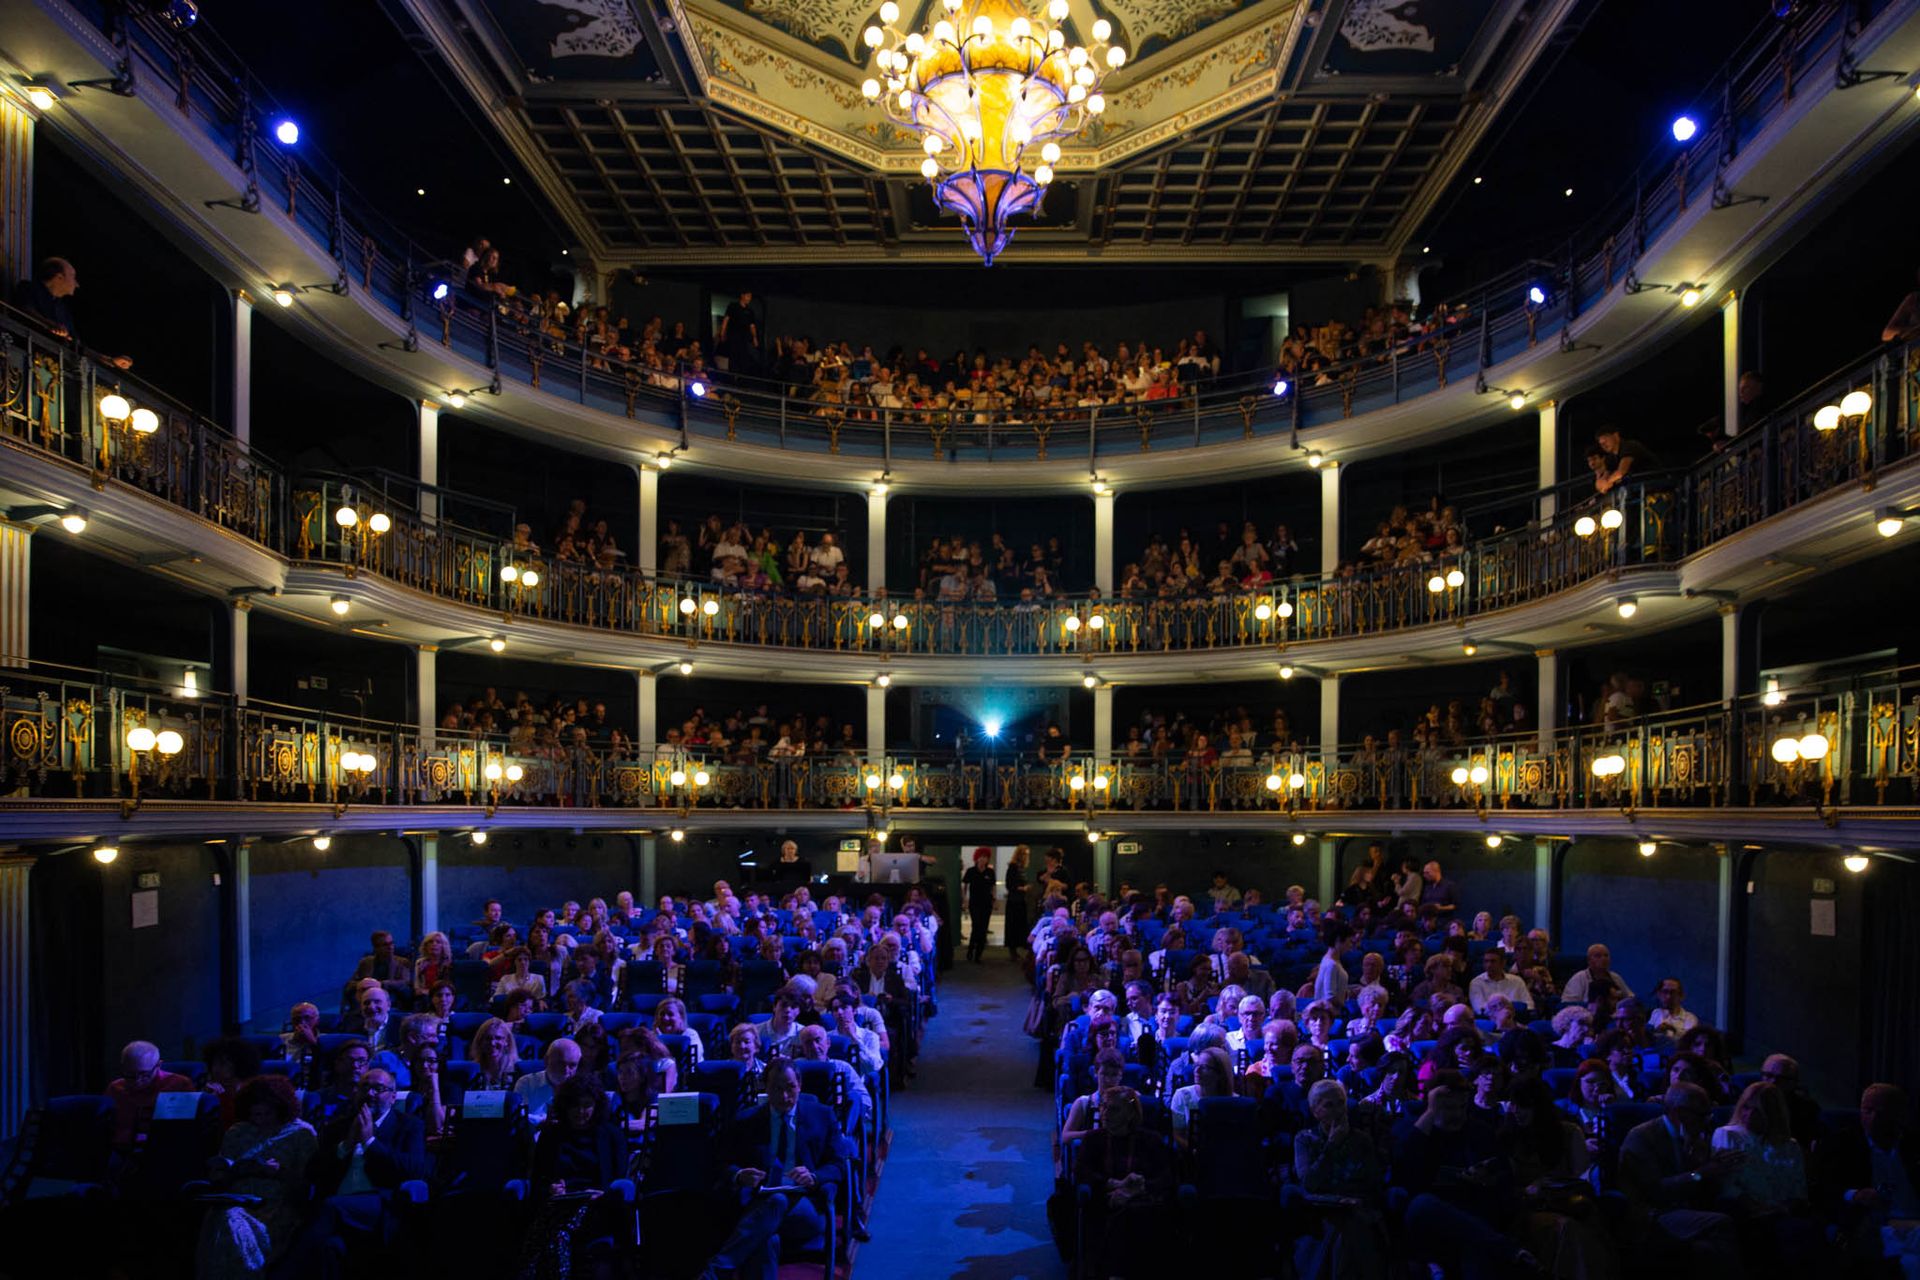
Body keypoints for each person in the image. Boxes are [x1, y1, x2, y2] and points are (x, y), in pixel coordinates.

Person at [699, 1059, 849, 1280]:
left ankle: (715, 1271)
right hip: (757, 1207)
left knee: (777, 1201)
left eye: (790, 1087)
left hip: (805, 1205)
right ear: (765, 1088)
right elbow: (721, 1164)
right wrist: (740, 1175)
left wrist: (814, 1176)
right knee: (767, 1240)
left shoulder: (823, 1116)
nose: (785, 1097)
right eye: (777, 1089)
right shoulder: (746, 1120)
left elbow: (838, 1165)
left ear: (800, 1085)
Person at [298, 1067, 430, 1277]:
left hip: (380, 1202)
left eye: (378, 1089)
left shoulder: (409, 1126)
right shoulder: (337, 1127)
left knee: (329, 1207)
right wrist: (345, 1146)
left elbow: (415, 1170)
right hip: (340, 1203)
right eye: (364, 1088)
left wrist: (370, 1142)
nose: (369, 1094)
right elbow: (313, 1171)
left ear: (393, 1096)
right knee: (330, 1247)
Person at [197, 1074, 320, 1279]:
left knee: (229, 1222)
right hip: (236, 1198)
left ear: (281, 1109)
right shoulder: (237, 1132)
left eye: (266, 1114)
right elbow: (222, 1174)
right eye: (255, 1115)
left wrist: (279, 1172)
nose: (260, 1120)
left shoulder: (301, 1133)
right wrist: (224, 1172)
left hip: (275, 1205)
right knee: (223, 1217)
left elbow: (309, 1185)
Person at [1616, 1082, 1743, 1274]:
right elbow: (1655, 1190)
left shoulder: (1694, 1137)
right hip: (1653, 1213)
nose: (1706, 1121)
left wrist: (1711, 1164)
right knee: (1721, 1223)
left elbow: (1699, 1184)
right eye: (1702, 1115)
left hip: (1683, 1209)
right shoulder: (1642, 1137)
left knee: (1711, 1246)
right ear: (1679, 1113)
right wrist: (1701, 1172)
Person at [519, 1076, 626, 1278]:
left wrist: (603, 1194)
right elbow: (537, 1180)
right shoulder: (551, 1135)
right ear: (565, 1106)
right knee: (550, 1226)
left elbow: (619, 1181)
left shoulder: (611, 1135)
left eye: (587, 1105)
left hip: (595, 1203)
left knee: (555, 1235)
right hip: (559, 1201)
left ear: (596, 1106)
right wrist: (550, 1189)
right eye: (574, 1105)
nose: (580, 1111)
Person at [1813, 1082, 1920, 1279]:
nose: (1874, 1118)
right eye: (1867, 1110)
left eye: (1882, 1112)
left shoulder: (1913, 1146)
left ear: (1899, 1116)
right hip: (1876, 1223)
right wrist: (1855, 1195)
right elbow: (1821, 1186)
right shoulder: (1843, 1142)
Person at [1293, 1078, 1389, 1280]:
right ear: (1315, 1111)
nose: (1337, 1110)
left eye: (1340, 1103)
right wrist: (1331, 1147)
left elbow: (1374, 1181)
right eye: (1329, 1105)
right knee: (1343, 1232)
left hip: (1358, 1208)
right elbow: (1309, 1183)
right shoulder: (1304, 1139)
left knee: (1347, 1230)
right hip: (1322, 1210)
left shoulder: (1361, 1139)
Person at [1074, 1086, 1173, 1280]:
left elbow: (1166, 1175)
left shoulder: (1151, 1140)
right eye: (1103, 1107)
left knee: (1134, 1214)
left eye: (1114, 1109)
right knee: (1121, 1216)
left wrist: (1139, 1188)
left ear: (1130, 1114)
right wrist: (1114, 1184)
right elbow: (1082, 1171)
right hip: (1104, 1199)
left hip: (1144, 1202)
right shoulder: (1094, 1139)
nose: (1105, 1114)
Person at [11, 256, 132, 368]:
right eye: (73, 277)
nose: (77, 284)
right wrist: (48, 324)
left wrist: (109, 360)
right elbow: (23, 311)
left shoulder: (62, 309)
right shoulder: (28, 288)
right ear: (59, 277)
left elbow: (76, 344)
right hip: (25, 359)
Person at [106, 1039, 194, 1148]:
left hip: (164, 1148)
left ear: (159, 1065)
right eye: (130, 1074)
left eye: (144, 1074)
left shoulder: (179, 1085)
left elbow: (186, 1130)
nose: (137, 1081)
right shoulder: (115, 1088)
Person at [515, 1038, 582, 1124]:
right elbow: (519, 1116)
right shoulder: (526, 1083)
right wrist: (544, 1121)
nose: (566, 1070)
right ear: (546, 1060)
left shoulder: (581, 1088)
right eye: (561, 1063)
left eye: (572, 1065)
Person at [1560, 943, 1634, 1007]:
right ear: (1589, 960)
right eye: (1598, 956)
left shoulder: (1616, 977)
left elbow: (1630, 998)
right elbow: (1567, 1004)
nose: (1603, 959)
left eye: (1606, 955)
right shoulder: (1579, 978)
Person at [1468, 948, 1531, 1016]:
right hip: (1491, 1022)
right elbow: (1480, 1009)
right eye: (1486, 961)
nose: (1489, 965)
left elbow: (1529, 1005)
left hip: (1517, 1018)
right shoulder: (1477, 983)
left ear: (1503, 963)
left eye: (1493, 961)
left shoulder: (1517, 981)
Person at [962, 846, 997, 963]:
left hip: (986, 903)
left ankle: (978, 954)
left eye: (986, 857)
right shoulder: (971, 871)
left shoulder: (990, 872)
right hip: (974, 903)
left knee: (983, 928)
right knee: (976, 926)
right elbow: (965, 886)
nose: (983, 860)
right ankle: (971, 949)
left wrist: (994, 899)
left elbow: (993, 887)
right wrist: (964, 900)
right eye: (981, 857)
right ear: (977, 858)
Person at [1004, 844, 1031, 961]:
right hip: (1014, 901)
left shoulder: (1021, 868)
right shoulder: (1013, 867)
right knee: (1013, 925)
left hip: (1020, 900)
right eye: (1024, 854)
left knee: (1020, 925)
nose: (1026, 857)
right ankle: (1013, 950)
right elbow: (1009, 885)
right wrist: (1022, 888)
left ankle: (1017, 949)